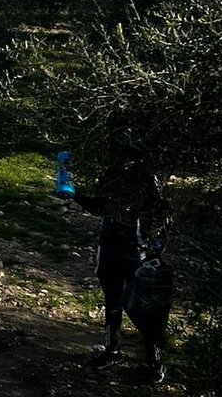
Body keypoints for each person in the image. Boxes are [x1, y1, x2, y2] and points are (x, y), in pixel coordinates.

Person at [66, 160, 171, 383]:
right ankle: (112, 351)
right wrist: (74, 194)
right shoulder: (111, 171)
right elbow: (99, 207)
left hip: (137, 251)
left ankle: (154, 361)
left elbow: (163, 212)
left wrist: (155, 248)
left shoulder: (146, 176)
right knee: (112, 302)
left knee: (145, 307)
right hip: (110, 248)